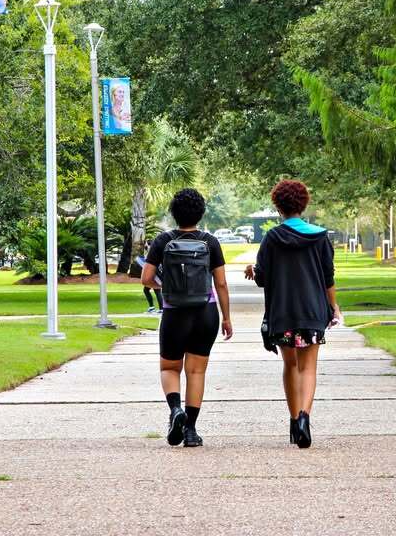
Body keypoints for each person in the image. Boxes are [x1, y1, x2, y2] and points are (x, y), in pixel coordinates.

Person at [245, 180, 341, 449]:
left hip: (283, 312)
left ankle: (292, 420)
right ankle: (304, 419)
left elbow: (263, 278)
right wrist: (334, 306)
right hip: (312, 312)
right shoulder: (320, 237)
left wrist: (253, 271)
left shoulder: (272, 238)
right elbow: (328, 278)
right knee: (309, 366)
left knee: (290, 366)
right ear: (304, 203)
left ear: (278, 206)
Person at [141, 189, 233, 447]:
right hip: (206, 311)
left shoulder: (163, 241)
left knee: (170, 367)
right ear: (201, 212)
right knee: (196, 371)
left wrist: (168, 287)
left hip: (174, 312)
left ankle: (175, 410)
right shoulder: (210, 242)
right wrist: (226, 318)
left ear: (173, 212)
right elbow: (222, 284)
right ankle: (191, 431)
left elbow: (146, 279)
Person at [137, 242, 163, 313]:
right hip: (153, 274)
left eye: (147, 245)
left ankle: (161, 309)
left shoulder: (154, 252)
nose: (146, 247)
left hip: (155, 274)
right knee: (147, 290)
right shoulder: (152, 252)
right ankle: (152, 307)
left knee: (157, 290)